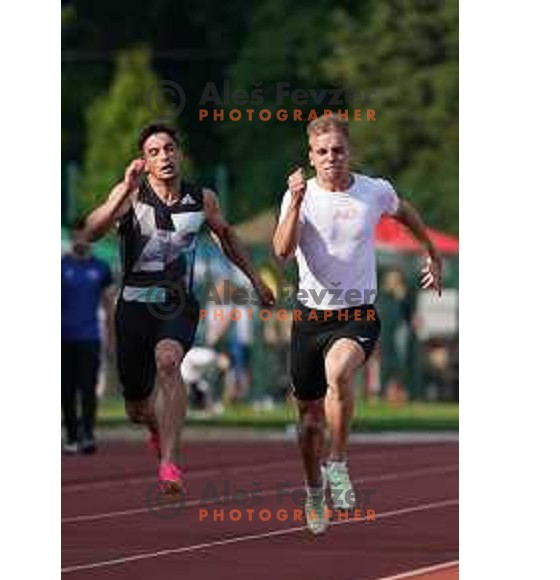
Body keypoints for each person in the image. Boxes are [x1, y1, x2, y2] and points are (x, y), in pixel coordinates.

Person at [273, 114, 442, 534]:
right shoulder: (301, 196)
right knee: (309, 422)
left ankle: (340, 462)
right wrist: (294, 202)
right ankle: (314, 491)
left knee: (339, 372)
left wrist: (430, 252)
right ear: (311, 158)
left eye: (338, 150)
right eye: (322, 152)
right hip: (310, 317)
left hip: (358, 314)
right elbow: (280, 250)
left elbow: (405, 212)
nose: (331, 158)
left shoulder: (374, 191)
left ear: (350, 152)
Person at [83, 122, 274, 493]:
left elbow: (228, 237)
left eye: (169, 148)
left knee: (169, 362)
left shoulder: (201, 199)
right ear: (144, 161)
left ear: (179, 153)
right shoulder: (131, 197)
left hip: (176, 304)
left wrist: (255, 279)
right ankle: (156, 428)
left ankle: (170, 463)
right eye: (154, 152)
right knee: (137, 409)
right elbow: (90, 231)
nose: (164, 156)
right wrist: (124, 186)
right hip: (134, 308)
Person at [61, 218, 114, 455]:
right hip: (63, 338)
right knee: (66, 389)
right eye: (76, 234)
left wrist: (112, 338)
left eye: (84, 234)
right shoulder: (60, 267)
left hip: (90, 337)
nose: (80, 239)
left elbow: (109, 306)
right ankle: (72, 436)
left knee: (88, 387)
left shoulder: (101, 268)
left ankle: (88, 434)